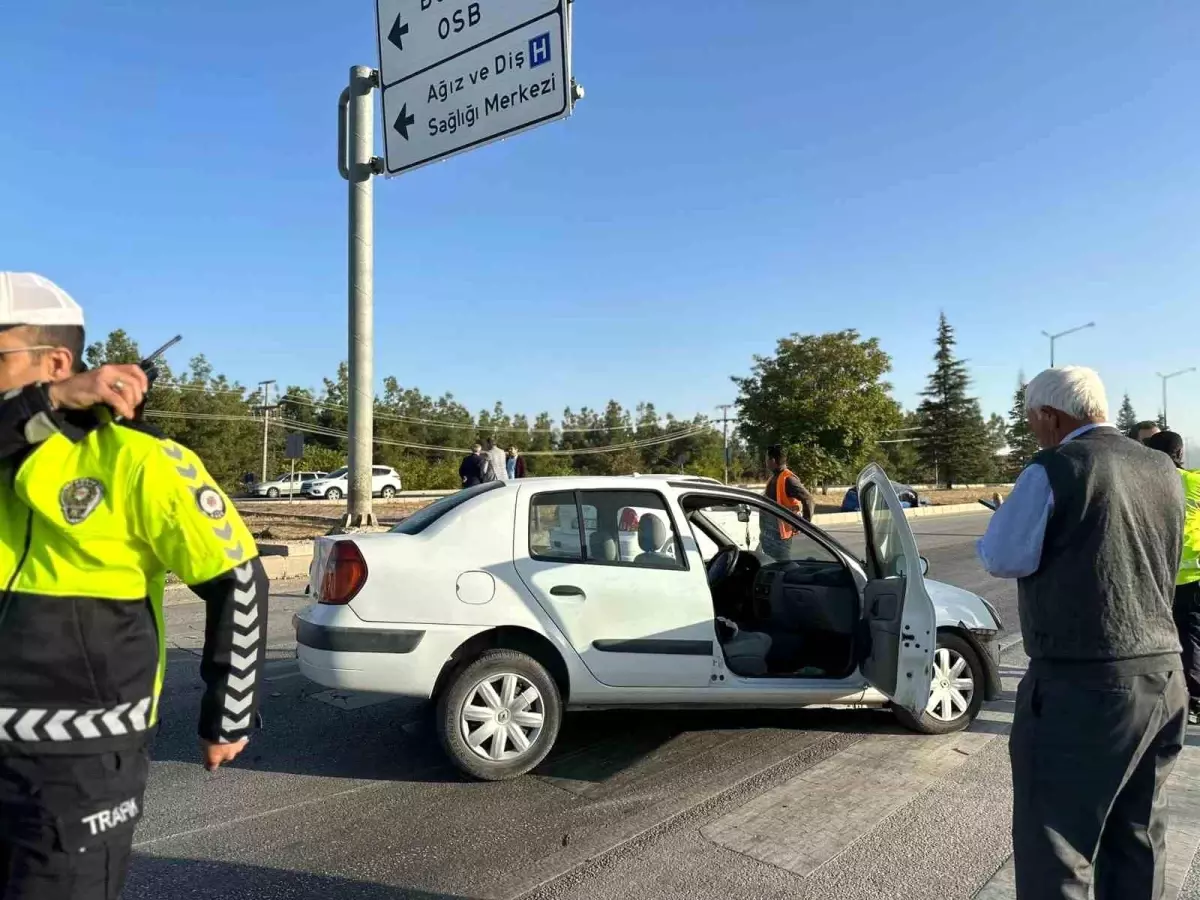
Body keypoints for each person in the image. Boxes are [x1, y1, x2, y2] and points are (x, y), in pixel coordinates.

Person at [0, 272, 268, 900]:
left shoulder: (141, 459)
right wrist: (42, 406)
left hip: (78, 762)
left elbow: (239, 581)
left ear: (56, 361)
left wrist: (226, 715)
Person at [977, 365, 1185, 900]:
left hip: (1084, 684)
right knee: (1137, 838)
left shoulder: (1056, 466)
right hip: (1163, 675)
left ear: (1051, 414)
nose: (1032, 432)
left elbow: (1002, 556)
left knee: (1058, 849)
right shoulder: (1162, 468)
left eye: (1031, 421)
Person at [1145, 430, 1200, 725]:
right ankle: (1193, 699)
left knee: (1164, 637)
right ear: (1179, 453)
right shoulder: (1195, 481)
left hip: (1157, 575)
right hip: (1194, 573)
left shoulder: (1144, 485)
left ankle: (1169, 695)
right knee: (1192, 636)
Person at [760, 445, 815, 561]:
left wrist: (804, 524)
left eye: (766, 459)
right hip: (769, 535)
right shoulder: (774, 478)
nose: (765, 462)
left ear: (772, 460)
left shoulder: (788, 479)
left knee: (782, 567)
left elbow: (808, 499)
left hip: (780, 537)